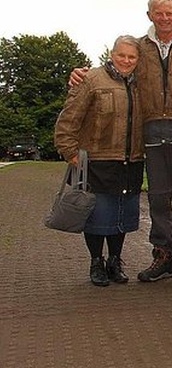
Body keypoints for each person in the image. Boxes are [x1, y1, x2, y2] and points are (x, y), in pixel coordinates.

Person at [71, 0, 172, 287]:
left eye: (169, 13)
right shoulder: (141, 48)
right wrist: (82, 75)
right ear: (150, 16)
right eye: (159, 14)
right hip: (153, 132)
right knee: (157, 198)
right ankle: (163, 255)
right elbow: (119, 68)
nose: (165, 18)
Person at [55, 35, 145, 286]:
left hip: (131, 160)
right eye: (121, 55)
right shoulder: (91, 80)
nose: (126, 61)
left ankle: (115, 261)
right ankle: (96, 261)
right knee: (96, 216)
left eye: (132, 56)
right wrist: (69, 151)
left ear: (138, 59)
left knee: (121, 216)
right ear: (112, 54)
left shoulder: (142, 84)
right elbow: (69, 118)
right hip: (96, 159)